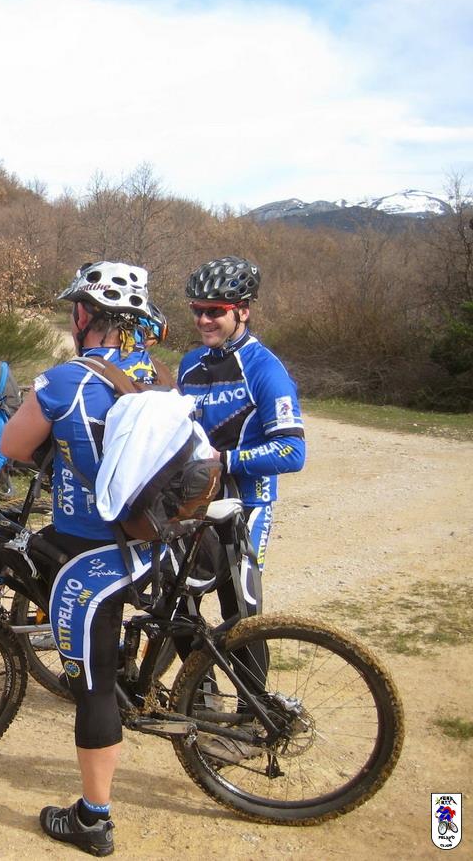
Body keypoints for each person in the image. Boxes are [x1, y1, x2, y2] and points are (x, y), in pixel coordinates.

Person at [0, 260, 162, 857]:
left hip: (92, 552)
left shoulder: (65, 381)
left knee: (92, 689)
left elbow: (11, 445)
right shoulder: (153, 375)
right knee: (43, 558)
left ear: (84, 315)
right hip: (147, 541)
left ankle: (94, 818)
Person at [176, 256, 306, 763]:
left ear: (243, 311)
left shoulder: (264, 368)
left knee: (240, 616)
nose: (204, 319)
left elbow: (292, 451)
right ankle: (201, 693)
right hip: (196, 507)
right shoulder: (190, 365)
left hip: (247, 506)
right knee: (174, 597)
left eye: (216, 311)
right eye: (198, 310)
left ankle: (253, 722)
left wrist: (226, 459)